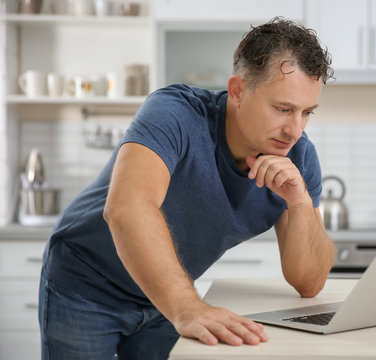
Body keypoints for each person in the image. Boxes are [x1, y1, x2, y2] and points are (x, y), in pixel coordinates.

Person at [38, 17, 335, 359]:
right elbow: (126, 208)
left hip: (164, 294)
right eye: (283, 109)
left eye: (307, 113)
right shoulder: (175, 112)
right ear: (238, 91)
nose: (295, 129)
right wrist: (187, 308)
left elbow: (309, 283)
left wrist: (299, 203)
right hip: (86, 284)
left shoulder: (298, 155)